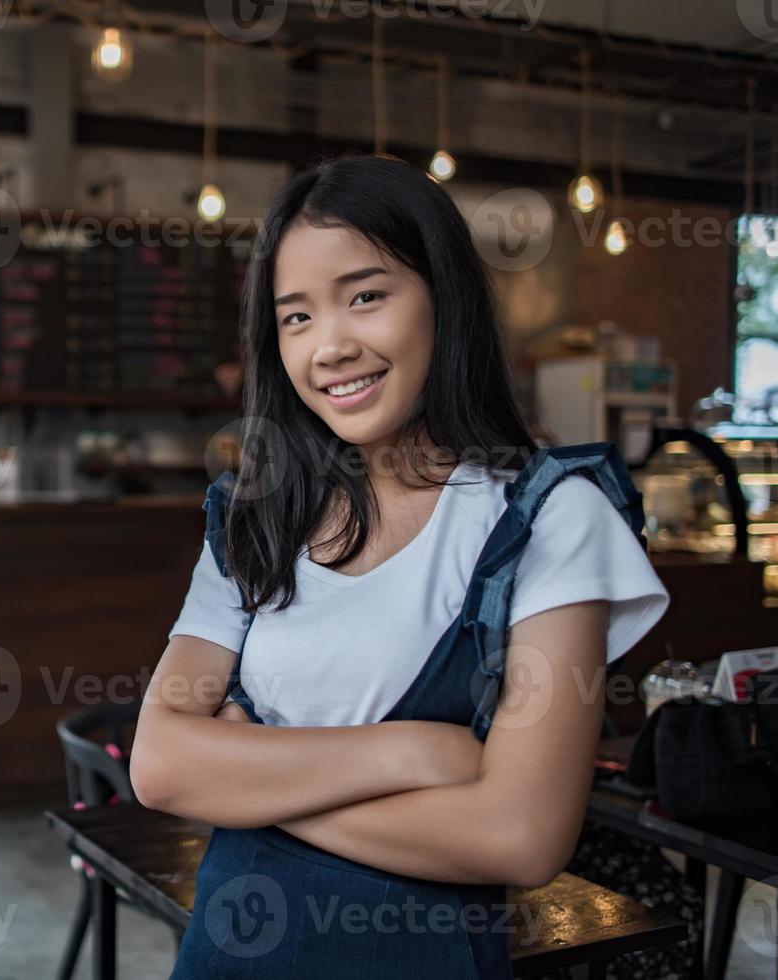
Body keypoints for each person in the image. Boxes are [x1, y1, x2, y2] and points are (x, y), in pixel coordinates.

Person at [129, 155, 672, 978]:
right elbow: (160, 766)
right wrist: (414, 756)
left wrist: (248, 782)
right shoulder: (254, 518)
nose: (331, 346)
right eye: (296, 317)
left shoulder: (549, 517)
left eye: (366, 296)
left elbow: (518, 837)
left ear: (442, 297)